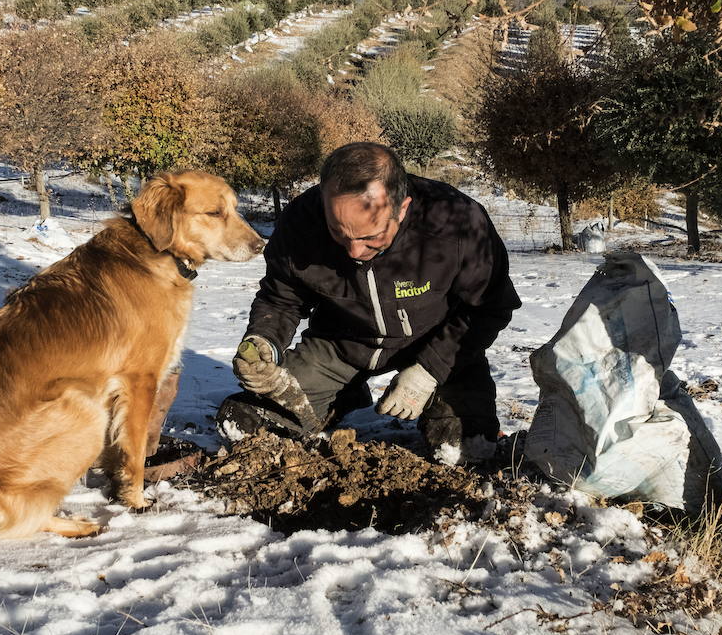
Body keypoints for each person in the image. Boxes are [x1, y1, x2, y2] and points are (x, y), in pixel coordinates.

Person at [216, 142, 521, 459]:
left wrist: (429, 370)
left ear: (401, 209)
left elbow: (490, 306)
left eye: (369, 237)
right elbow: (281, 296)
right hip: (342, 344)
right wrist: (264, 340)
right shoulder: (301, 222)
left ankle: (442, 400)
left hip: (436, 343)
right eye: (338, 232)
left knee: (464, 448)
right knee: (244, 427)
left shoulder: (456, 222)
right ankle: (344, 397)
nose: (354, 252)